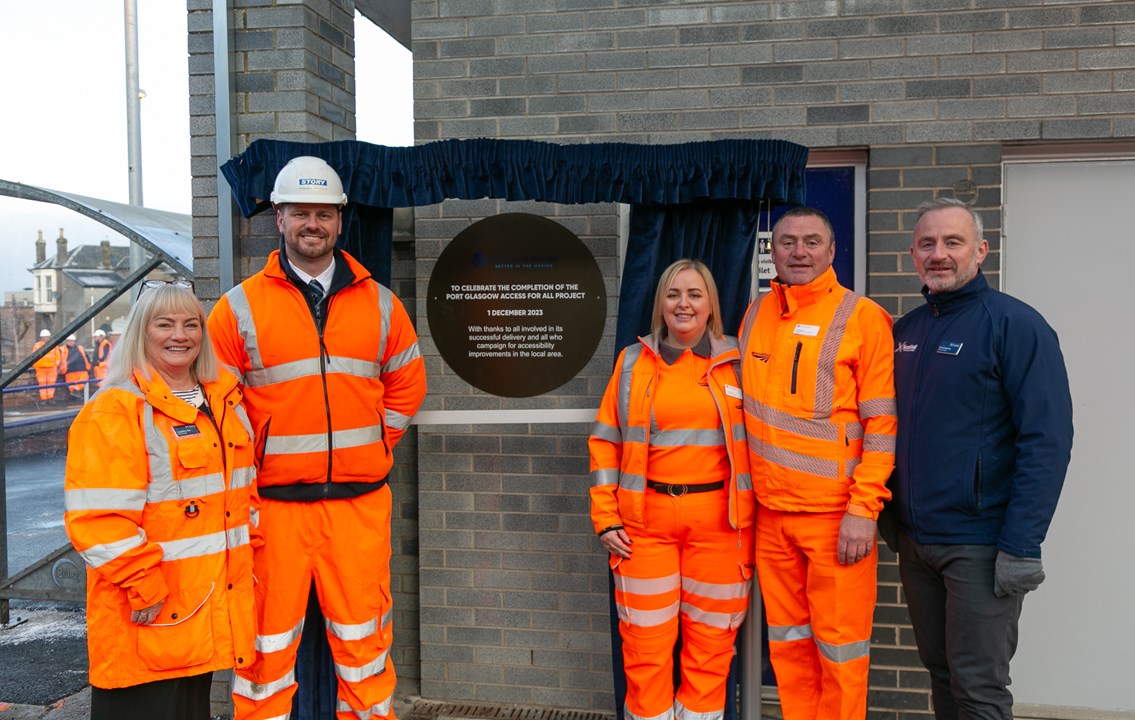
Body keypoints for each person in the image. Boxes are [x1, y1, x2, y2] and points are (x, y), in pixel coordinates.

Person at [208, 155, 427, 720]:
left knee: (365, 654)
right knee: (263, 657)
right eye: (300, 212)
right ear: (278, 217)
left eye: (324, 213)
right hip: (272, 512)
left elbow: (407, 382)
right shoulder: (237, 309)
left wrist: (376, 444)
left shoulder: (380, 303)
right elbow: (218, 408)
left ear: (340, 220)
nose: (313, 224)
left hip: (358, 508)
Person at [886, 197, 1073, 719]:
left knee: (979, 687)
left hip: (982, 546)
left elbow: (1048, 440)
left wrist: (1022, 544)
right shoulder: (906, 332)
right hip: (916, 542)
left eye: (952, 242)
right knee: (942, 674)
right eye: (927, 244)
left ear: (981, 251)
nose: (938, 254)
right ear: (913, 254)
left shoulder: (1015, 325)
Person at [63, 280, 259, 720]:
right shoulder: (116, 410)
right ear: (140, 332)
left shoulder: (223, 400)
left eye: (192, 324)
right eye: (164, 323)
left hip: (203, 606)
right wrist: (145, 588)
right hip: (148, 612)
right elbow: (97, 521)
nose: (180, 335)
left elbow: (241, 499)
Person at [738, 207, 896, 720]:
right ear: (772, 251)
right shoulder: (755, 313)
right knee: (789, 648)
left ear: (831, 251)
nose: (798, 252)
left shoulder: (862, 316)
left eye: (811, 242)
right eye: (787, 242)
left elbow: (882, 426)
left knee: (840, 651)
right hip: (770, 517)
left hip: (835, 519)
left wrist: (864, 510)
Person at [589, 259, 755, 720]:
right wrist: (605, 518)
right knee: (645, 652)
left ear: (710, 305)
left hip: (723, 528)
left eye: (695, 294)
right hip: (644, 529)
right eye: (674, 294)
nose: (684, 303)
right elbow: (605, 443)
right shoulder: (630, 363)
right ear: (660, 304)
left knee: (711, 652)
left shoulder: (738, 362)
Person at [60, 333, 93, 401]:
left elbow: (86, 357)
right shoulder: (62, 349)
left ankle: (76, 392)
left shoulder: (80, 348)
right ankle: (74, 396)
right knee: (71, 385)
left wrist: (88, 365)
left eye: (72, 341)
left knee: (83, 381)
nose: (71, 342)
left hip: (82, 369)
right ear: (66, 341)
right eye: (69, 341)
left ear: (75, 341)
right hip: (69, 370)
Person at [31, 329, 62, 401]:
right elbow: (33, 357)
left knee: (51, 384)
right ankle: (44, 399)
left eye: (46, 337)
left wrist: (56, 365)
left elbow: (57, 355)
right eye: (44, 337)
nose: (45, 338)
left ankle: (50, 398)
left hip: (51, 368)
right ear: (41, 338)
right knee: (42, 384)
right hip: (40, 368)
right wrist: (36, 365)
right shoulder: (37, 345)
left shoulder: (54, 345)